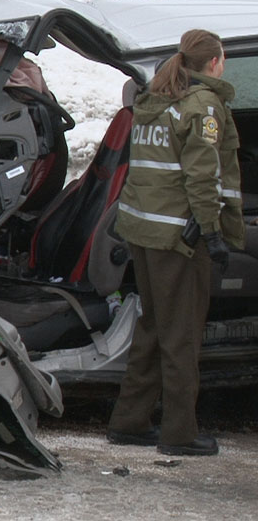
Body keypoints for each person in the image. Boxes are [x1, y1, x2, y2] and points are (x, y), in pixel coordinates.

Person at [106, 29, 245, 456]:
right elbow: (202, 177)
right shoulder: (202, 107)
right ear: (215, 63)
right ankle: (180, 432)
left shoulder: (154, 101)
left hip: (145, 234)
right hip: (178, 239)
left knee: (153, 325)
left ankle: (130, 420)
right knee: (182, 334)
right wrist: (212, 231)